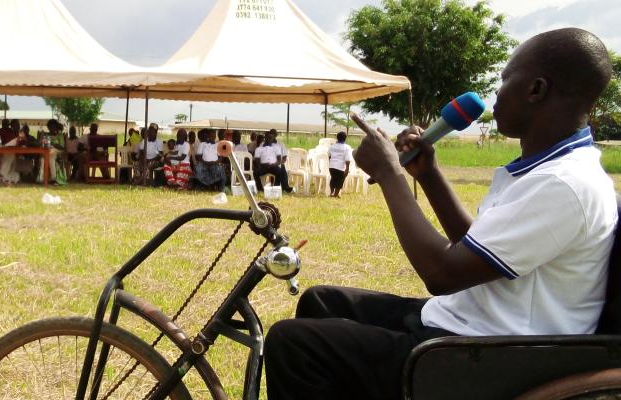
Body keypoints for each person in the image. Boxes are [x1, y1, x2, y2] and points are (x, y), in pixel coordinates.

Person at [263, 28, 617, 400]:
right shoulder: (549, 171)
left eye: (505, 80)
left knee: (294, 345)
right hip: (476, 326)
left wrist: (390, 174)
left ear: (536, 90)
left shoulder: (564, 184)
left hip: (493, 355)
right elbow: (474, 247)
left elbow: (443, 274)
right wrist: (428, 175)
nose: (497, 93)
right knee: (320, 301)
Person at [328, 131, 354, 198]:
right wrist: (347, 169)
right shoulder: (347, 147)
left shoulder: (332, 146)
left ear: (337, 138)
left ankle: (332, 192)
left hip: (331, 166)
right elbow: (347, 159)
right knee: (340, 181)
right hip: (340, 167)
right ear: (345, 138)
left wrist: (331, 163)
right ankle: (335, 195)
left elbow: (329, 156)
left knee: (333, 179)